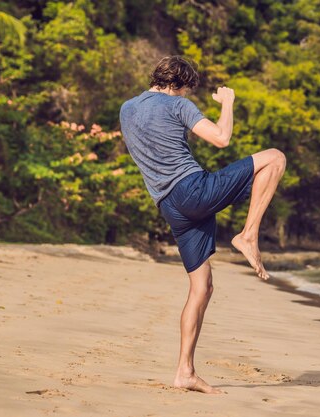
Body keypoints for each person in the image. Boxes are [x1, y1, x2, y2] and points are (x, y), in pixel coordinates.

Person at [119, 55, 286, 394]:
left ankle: (185, 372)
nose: (185, 95)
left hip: (169, 206)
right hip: (192, 190)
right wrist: (228, 102)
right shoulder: (177, 105)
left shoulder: (127, 109)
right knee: (275, 158)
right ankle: (248, 235)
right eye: (185, 90)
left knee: (202, 287)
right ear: (178, 84)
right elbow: (222, 138)